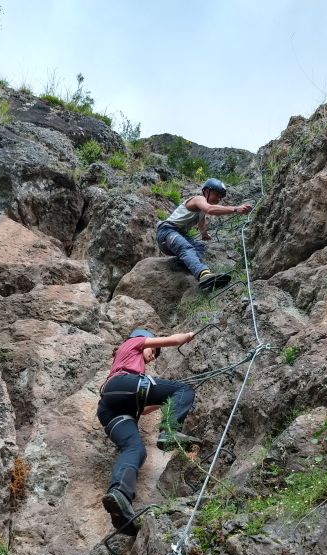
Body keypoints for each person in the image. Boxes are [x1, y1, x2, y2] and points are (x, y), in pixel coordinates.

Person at [98, 328, 202, 535]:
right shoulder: (134, 342)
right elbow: (173, 340)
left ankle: (119, 496)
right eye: (153, 351)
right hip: (124, 385)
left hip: (111, 409)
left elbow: (143, 410)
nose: (152, 356)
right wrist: (188, 336)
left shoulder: (124, 359)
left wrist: (166, 402)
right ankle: (170, 432)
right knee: (184, 390)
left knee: (135, 449)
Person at [156, 178, 253, 291]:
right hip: (166, 232)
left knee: (200, 247)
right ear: (206, 192)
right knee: (186, 247)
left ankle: (181, 263)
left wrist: (204, 234)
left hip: (176, 236)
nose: (218, 198)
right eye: (216, 194)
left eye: (220, 197)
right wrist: (236, 209)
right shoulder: (199, 199)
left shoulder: (200, 211)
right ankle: (204, 274)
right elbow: (210, 210)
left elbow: (201, 223)